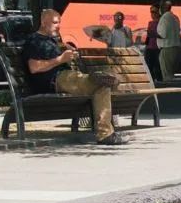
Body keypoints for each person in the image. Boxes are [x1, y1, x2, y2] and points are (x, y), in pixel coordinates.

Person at [22, 9, 125, 146]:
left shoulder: (53, 40)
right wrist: (60, 59)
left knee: (102, 85)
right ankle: (98, 78)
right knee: (92, 81)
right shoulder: (34, 40)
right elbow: (34, 67)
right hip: (54, 80)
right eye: (54, 22)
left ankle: (105, 134)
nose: (58, 26)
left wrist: (69, 53)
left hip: (67, 77)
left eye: (59, 23)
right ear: (43, 22)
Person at [157, 0, 181, 79]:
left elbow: (162, 34)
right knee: (171, 73)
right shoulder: (175, 17)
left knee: (167, 75)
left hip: (167, 49)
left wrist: (153, 33)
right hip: (176, 48)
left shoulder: (164, 18)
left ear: (163, 7)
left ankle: (169, 90)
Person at [144, 4, 162, 81]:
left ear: (159, 12)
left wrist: (153, 34)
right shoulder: (150, 23)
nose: (152, 14)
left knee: (158, 68)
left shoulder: (161, 22)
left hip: (157, 48)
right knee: (149, 68)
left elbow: (162, 35)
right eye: (151, 12)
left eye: (154, 11)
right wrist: (146, 46)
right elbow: (148, 36)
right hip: (149, 48)